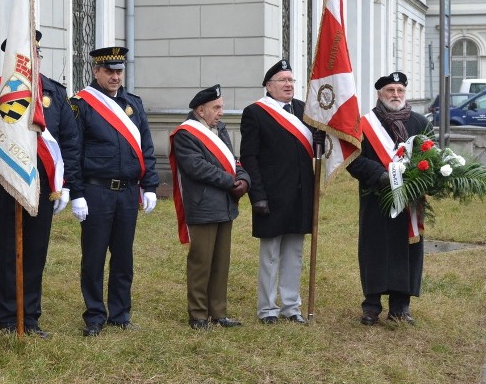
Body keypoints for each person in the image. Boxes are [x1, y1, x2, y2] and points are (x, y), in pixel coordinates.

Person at [0, 31, 81, 339]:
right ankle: (8, 316)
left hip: (43, 185)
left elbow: (70, 141)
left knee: (36, 251)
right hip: (7, 181)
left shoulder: (55, 94)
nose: (30, 61)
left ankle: (30, 317)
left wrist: (67, 184)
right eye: (23, 56)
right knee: (8, 250)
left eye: (35, 55)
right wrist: (10, 149)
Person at [69, 46, 160, 337]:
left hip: (127, 192)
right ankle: (94, 314)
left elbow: (146, 147)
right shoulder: (82, 104)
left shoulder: (133, 104)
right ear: (96, 71)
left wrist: (150, 185)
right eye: (109, 71)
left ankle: (120, 313)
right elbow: (73, 151)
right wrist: (76, 192)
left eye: (119, 71)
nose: (115, 76)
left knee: (123, 255)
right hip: (97, 191)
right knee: (94, 256)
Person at [239, 59, 323, 325]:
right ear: (268, 85)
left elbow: (314, 146)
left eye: (291, 80)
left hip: (300, 193)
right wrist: (258, 196)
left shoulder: (303, 109)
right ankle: (267, 308)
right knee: (271, 254)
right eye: (283, 81)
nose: (289, 85)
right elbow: (249, 157)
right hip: (272, 196)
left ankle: (290, 305)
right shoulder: (255, 112)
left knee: (294, 252)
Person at [346, 72, 431, 326]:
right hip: (376, 197)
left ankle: (400, 306)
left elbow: (433, 158)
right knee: (374, 248)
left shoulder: (420, 123)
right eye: (390, 91)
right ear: (379, 94)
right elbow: (353, 159)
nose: (396, 95)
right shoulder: (364, 125)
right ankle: (371, 305)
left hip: (410, 201)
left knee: (407, 250)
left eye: (400, 90)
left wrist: (420, 178)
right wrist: (381, 176)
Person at [170, 84, 250, 330]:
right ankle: (198, 315)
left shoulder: (220, 129)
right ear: (201, 110)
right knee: (201, 261)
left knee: (221, 262)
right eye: (216, 107)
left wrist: (244, 179)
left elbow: (233, 160)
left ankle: (219, 312)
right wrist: (231, 181)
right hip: (203, 205)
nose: (221, 112)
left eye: (222, 107)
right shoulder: (186, 134)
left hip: (224, 204)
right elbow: (196, 167)